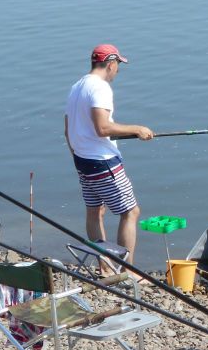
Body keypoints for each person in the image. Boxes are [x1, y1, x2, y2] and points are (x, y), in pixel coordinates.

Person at [64, 44, 153, 266]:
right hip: (103, 163)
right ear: (111, 64)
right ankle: (128, 271)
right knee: (130, 212)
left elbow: (68, 130)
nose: (118, 70)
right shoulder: (100, 88)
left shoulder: (77, 86)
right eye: (118, 65)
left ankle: (104, 267)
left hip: (82, 161)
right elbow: (102, 128)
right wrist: (137, 129)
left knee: (95, 212)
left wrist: (79, 157)